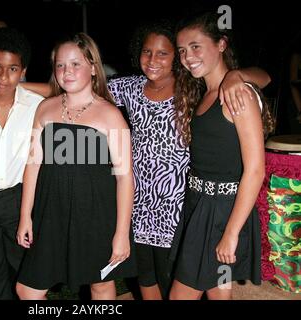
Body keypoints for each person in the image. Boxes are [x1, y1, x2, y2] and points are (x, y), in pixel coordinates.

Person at [21, 22, 270, 300]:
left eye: (163, 53)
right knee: (147, 279)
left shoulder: (193, 87)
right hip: (140, 208)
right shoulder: (130, 88)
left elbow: (263, 76)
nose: (153, 60)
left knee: (183, 282)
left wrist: (236, 75)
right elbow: (76, 84)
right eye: (147, 52)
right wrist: (12, 85)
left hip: (177, 208)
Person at [15, 33, 137, 300]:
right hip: (51, 214)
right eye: (60, 65)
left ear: (93, 67)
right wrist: (26, 215)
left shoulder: (110, 114)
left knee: (101, 286)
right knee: (26, 290)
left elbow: (125, 178)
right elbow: (33, 165)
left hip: (97, 215)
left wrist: (121, 233)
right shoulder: (45, 109)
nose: (66, 71)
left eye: (75, 64)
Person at [169, 12, 275, 300]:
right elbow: (265, 75)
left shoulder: (237, 94)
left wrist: (231, 232)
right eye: (181, 50)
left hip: (223, 213)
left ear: (221, 45)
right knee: (219, 293)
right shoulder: (207, 93)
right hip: (200, 205)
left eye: (195, 46)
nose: (187, 56)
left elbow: (255, 170)